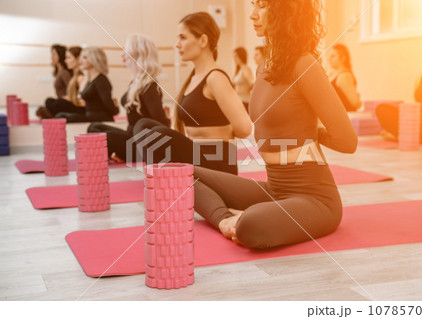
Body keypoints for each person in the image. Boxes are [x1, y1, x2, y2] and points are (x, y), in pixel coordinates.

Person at [193, 0, 358, 249]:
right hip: (274, 188)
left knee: (251, 225)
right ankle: (226, 220)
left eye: (262, 7)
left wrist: (313, 133)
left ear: (285, 11)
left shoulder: (305, 64)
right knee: (178, 173)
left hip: (315, 199)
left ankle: (242, 220)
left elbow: (348, 141)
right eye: (253, 6)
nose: (252, 15)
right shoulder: (263, 68)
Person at [133, 12, 252, 175]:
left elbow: (245, 129)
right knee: (144, 125)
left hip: (217, 161)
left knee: (157, 135)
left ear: (203, 41)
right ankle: (161, 183)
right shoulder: (193, 78)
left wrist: (218, 129)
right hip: (198, 152)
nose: (177, 44)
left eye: (183, 37)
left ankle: (161, 185)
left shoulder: (215, 77)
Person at [88, 34, 169, 162]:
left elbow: (160, 122)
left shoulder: (149, 86)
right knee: (94, 127)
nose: (122, 55)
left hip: (141, 143)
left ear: (137, 54)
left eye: (126, 51)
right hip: (130, 136)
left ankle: (124, 155)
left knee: (104, 137)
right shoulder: (136, 82)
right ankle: (119, 155)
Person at [376, 32, 422, 142]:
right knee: (382, 109)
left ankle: (402, 134)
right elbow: (416, 103)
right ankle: (409, 133)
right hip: (420, 118)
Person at [55, 47, 118, 122]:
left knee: (61, 116)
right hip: (89, 116)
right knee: (60, 115)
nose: (81, 61)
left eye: (85, 58)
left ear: (94, 59)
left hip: (99, 118)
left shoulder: (101, 80)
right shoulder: (89, 80)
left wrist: (116, 109)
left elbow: (109, 105)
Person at [36, 46, 85, 119]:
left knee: (58, 103)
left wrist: (66, 99)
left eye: (68, 58)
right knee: (49, 101)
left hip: (75, 105)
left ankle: (50, 115)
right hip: (69, 101)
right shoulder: (73, 75)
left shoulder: (77, 76)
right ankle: (49, 113)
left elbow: (79, 98)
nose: (66, 60)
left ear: (77, 59)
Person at [327, 44, 361, 112]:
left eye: (333, 56)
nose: (329, 59)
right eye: (329, 56)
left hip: (346, 117)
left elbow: (356, 103)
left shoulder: (344, 76)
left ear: (342, 58)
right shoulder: (333, 75)